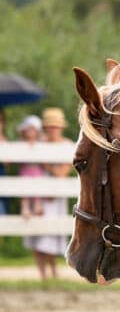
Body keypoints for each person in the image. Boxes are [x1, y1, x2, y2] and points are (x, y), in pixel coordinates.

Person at [18, 115, 65, 280]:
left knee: (49, 237)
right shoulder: (41, 143)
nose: (52, 130)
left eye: (55, 126)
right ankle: (42, 274)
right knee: (36, 236)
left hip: (54, 195)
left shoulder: (65, 145)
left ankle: (53, 272)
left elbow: (61, 173)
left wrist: (44, 162)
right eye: (49, 126)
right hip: (37, 194)